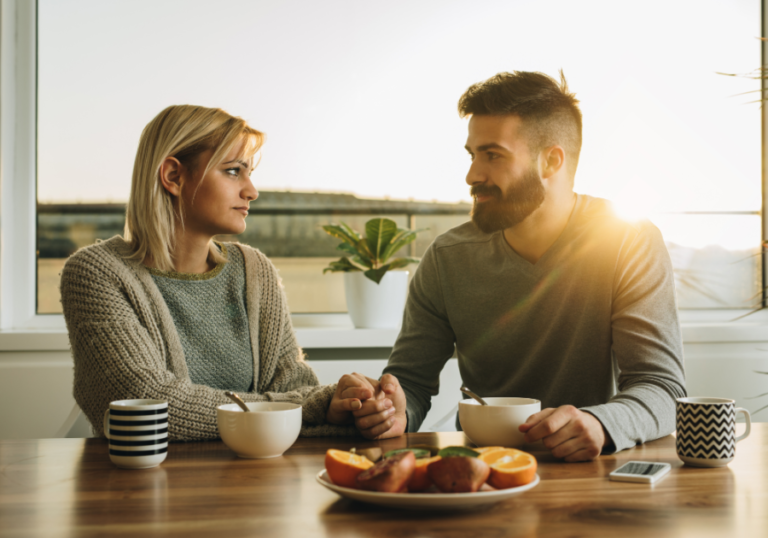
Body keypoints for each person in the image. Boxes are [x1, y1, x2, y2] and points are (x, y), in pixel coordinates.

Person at [382, 71, 687, 461]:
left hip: (589, 470)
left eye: (492, 155)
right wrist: (393, 411)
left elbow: (661, 386)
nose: (472, 175)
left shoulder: (628, 239)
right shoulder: (447, 257)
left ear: (551, 161)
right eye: (472, 155)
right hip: (481, 472)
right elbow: (409, 382)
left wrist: (600, 423)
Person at [60, 105, 401, 441]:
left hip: (259, 481)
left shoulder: (254, 271)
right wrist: (314, 406)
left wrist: (353, 407)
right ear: (173, 177)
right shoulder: (97, 273)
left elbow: (295, 388)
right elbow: (147, 404)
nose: (251, 191)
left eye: (249, 172)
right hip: (144, 487)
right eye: (234, 171)